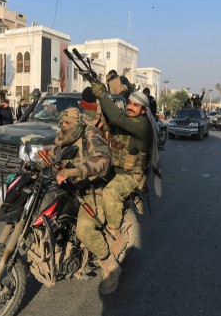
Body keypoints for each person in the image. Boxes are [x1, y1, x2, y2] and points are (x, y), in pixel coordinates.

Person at [91, 84, 162, 294]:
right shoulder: (127, 122)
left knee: (110, 193)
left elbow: (117, 118)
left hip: (131, 176)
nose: (130, 107)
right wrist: (99, 100)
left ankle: (115, 233)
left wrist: (103, 95)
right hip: (114, 170)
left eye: (135, 105)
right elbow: (109, 121)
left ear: (143, 110)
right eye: (129, 103)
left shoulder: (143, 126)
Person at [44, 107, 115, 294]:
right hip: (70, 187)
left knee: (84, 230)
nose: (64, 126)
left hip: (93, 189)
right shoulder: (62, 138)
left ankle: (110, 266)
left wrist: (75, 171)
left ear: (78, 124)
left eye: (68, 123)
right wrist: (34, 165)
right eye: (62, 123)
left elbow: (103, 161)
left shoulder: (90, 135)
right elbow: (51, 156)